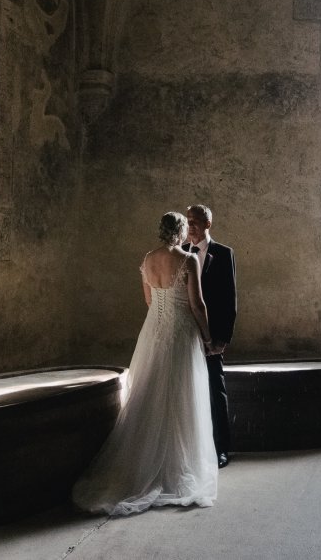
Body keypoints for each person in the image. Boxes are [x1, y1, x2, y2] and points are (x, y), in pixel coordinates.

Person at [71, 212, 217, 515]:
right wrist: (207, 336)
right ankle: (175, 468)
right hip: (180, 332)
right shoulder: (189, 260)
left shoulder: (148, 259)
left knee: (151, 390)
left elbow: (149, 301)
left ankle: (145, 463)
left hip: (155, 330)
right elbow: (197, 304)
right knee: (182, 395)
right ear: (179, 232)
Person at [185, 204, 237, 468]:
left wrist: (222, 340)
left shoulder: (223, 253)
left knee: (216, 392)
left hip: (212, 337)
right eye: (188, 220)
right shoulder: (180, 253)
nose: (190, 225)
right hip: (184, 334)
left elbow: (230, 300)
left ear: (208, 224)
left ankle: (221, 450)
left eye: (195, 221)